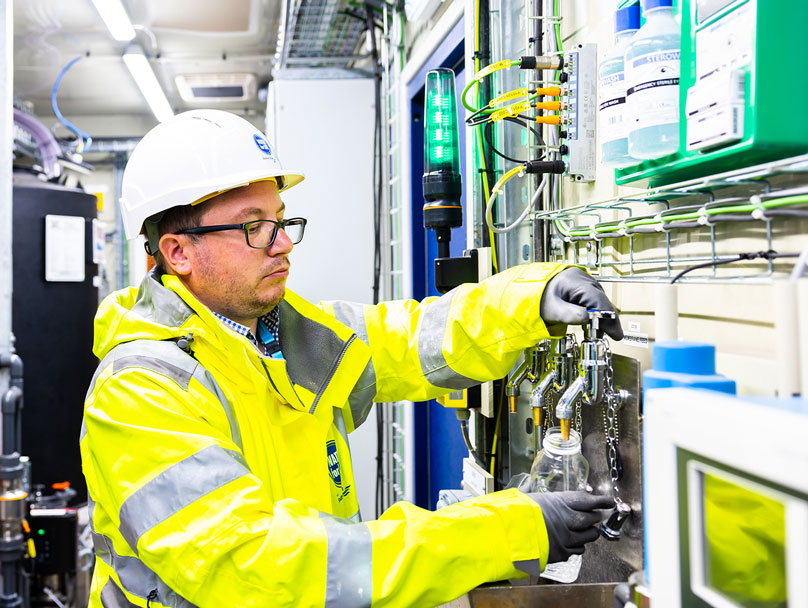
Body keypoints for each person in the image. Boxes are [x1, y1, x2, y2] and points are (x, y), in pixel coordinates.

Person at [80, 109, 622, 608]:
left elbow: (410, 338)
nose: (283, 244)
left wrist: (529, 300)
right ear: (178, 252)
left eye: (281, 220)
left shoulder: (284, 332)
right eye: (253, 227)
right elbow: (258, 563)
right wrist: (504, 532)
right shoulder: (139, 393)